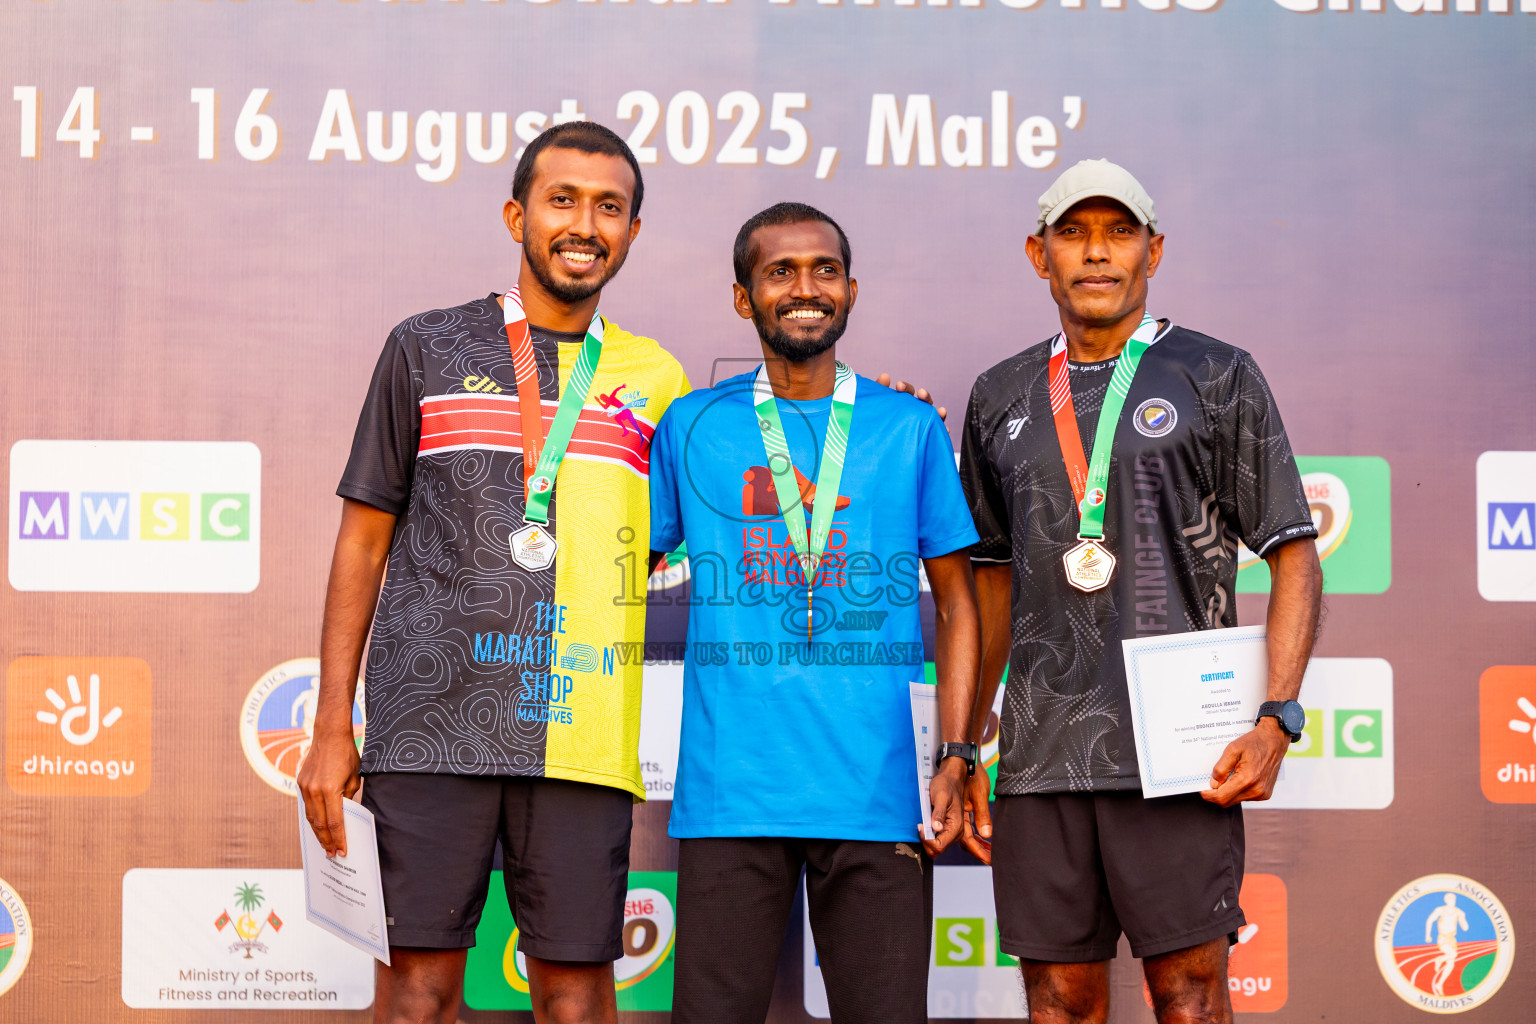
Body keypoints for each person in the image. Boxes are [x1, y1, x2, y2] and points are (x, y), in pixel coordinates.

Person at [296, 121, 690, 1024]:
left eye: (609, 207)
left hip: (581, 729)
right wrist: (329, 726)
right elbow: (361, 542)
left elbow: (710, 516)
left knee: (577, 992)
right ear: (517, 214)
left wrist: (885, 410)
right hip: (432, 721)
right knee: (419, 991)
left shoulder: (656, 378)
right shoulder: (425, 347)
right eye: (562, 200)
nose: (584, 224)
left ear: (631, 232)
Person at [957, 159, 1324, 1024]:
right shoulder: (999, 394)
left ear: (1153, 250)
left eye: (1118, 232)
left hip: (1180, 755)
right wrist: (968, 747)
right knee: (1058, 1002)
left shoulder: (1215, 372)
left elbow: (1294, 554)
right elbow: (990, 587)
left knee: (1191, 998)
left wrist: (1277, 719)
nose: (1096, 253)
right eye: (1072, 233)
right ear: (1035, 253)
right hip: (1041, 758)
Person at [647, 202, 983, 1024]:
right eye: (780, 271)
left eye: (824, 270)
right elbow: (634, 569)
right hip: (734, 790)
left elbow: (960, 607)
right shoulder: (691, 425)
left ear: (851, 289)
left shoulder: (907, 426)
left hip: (878, 792)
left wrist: (958, 750)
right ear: (743, 297)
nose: (805, 288)